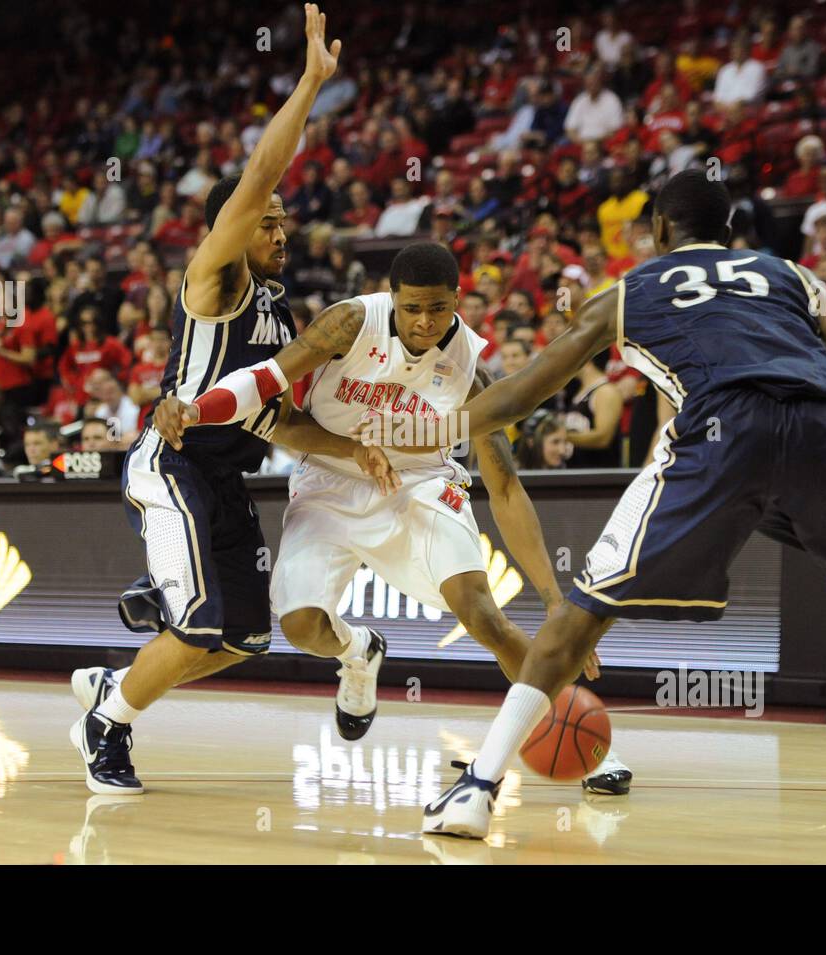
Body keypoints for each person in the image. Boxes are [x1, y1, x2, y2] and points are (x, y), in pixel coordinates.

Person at [405, 169, 826, 839]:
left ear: (659, 232)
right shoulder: (788, 273)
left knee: (581, 614)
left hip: (722, 430)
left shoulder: (629, 291)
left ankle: (478, 789)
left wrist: (425, 427)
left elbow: (520, 394)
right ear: (729, 232)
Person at [66, 7, 394, 797]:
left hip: (224, 479)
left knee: (246, 636)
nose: (280, 230)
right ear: (233, 228)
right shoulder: (217, 277)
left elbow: (278, 418)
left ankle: (121, 675)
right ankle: (108, 721)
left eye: (285, 223)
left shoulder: (279, 313)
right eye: (268, 222)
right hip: (171, 462)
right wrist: (312, 83)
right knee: (204, 619)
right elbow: (259, 175)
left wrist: (356, 450)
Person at [171, 242, 630, 792]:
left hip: (421, 482)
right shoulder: (348, 324)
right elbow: (273, 392)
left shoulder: (468, 369)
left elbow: (505, 487)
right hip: (328, 478)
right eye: (412, 308)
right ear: (392, 299)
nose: (425, 321)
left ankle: (585, 746)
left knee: (483, 615)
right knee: (301, 627)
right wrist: (198, 408)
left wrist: (555, 600)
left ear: (458, 300)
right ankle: (356, 652)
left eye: (438, 308)